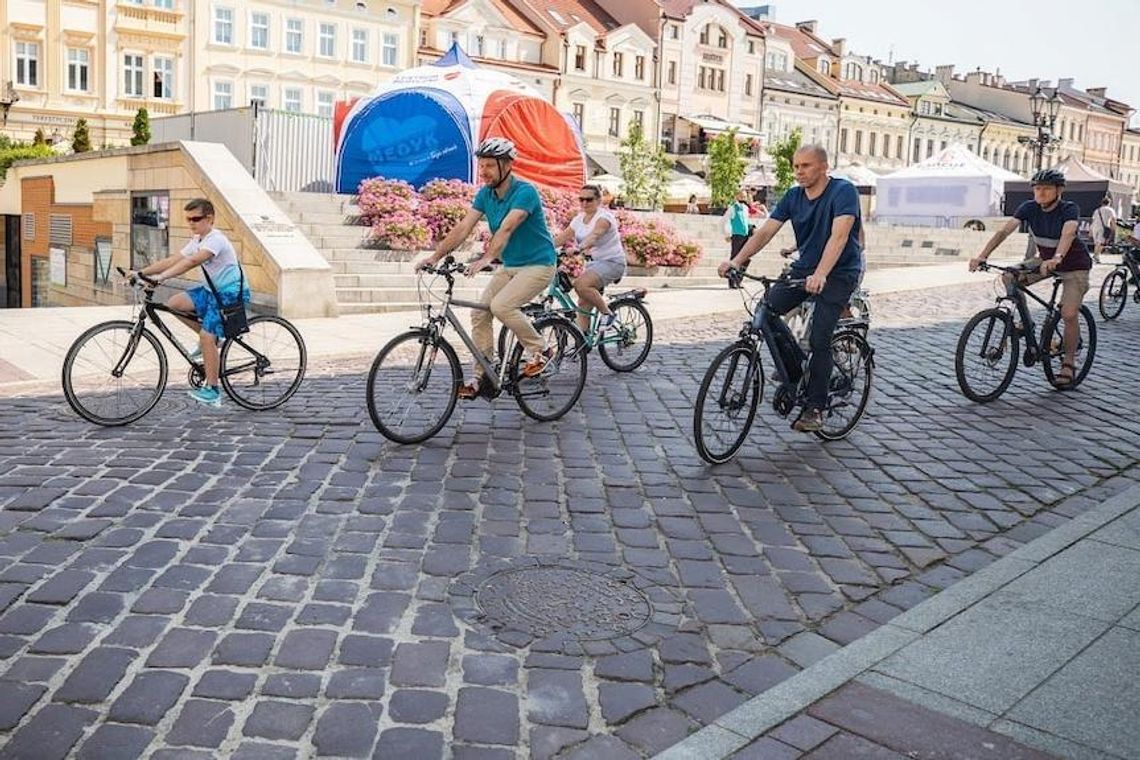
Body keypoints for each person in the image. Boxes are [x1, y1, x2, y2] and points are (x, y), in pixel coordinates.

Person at [717, 144, 864, 432]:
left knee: (821, 337)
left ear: (823, 167)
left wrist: (822, 273)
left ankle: (815, 408)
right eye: (796, 166)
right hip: (805, 269)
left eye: (805, 166)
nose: (799, 171)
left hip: (839, 272)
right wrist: (736, 260)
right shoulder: (794, 196)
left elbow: (840, 236)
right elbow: (766, 231)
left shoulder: (843, 192)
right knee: (767, 309)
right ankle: (796, 371)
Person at [416, 137, 557, 400]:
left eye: (490, 166)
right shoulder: (485, 195)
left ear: (507, 166)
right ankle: (482, 376)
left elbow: (508, 227)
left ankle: (543, 350)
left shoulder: (525, 192)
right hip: (512, 265)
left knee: (502, 306)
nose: (484, 172)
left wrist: (486, 258)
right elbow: (463, 227)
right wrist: (434, 257)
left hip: (538, 264)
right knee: (480, 314)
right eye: (482, 166)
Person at [969, 167, 1092, 388]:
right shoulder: (1029, 208)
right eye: (1037, 188)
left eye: (1046, 189)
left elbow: (1069, 233)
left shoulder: (1069, 209)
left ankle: (1069, 362)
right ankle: (1026, 324)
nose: (1040, 193)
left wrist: (1058, 257)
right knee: (1009, 277)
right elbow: (1003, 232)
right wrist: (982, 256)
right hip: (1044, 261)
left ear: (1058, 191)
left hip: (1074, 266)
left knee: (1069, 313)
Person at [127, 198, 248, 407]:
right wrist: (141, 273)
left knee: (206, 335)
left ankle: (213, 390)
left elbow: (191, 262)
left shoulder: (215, 240)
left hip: (228, 295)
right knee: (175, 303)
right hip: (211, 291)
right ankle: (211, 342)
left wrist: (161, 278)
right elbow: (175, 259)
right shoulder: (198, 239)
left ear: (209, 218)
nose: (191, 223)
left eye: (196, 219)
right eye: (188, 219)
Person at [554, 184, 627, 334]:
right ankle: (583, 342)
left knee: (581, 285)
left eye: (589, 200)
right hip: (594, 263)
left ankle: (608, 314)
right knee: (583, 303)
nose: (584, 203)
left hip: (613, 262)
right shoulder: (579, 219)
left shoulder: (604, 218)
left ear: (599, 200)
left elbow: (594, 236)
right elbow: (562, 237)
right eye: (581, 200)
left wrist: (579, 248)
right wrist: (540, 249)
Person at [724, 189, 751, 262]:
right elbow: (725, 221)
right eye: (741, 196)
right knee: (735, 255)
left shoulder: (746, 208)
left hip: (745, 235)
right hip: (736, 235)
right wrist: (727, 234)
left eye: (744, 197)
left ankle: (741, 271)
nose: (743, 198)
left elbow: (746, 221)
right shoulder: (732, 208)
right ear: (736, 197)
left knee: (745, 256)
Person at [1091, 195, 1117, 264]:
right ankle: (1096, 256)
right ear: (1109, 203)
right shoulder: (1110, 210)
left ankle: (1096, 256)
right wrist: (1114, 229)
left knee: (1097, 243)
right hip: (1103, 228)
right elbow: (1113, 220)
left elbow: (1093, 220)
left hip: (1094, 227)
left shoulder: (1097, 210)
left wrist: (1090, 230)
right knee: (1101, 243)